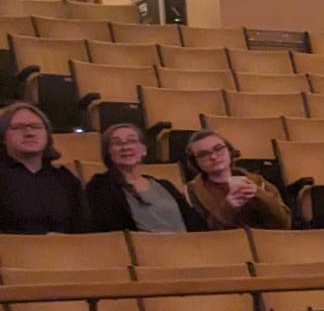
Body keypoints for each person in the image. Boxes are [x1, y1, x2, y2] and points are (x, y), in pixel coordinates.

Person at [85, 122, 205, 233]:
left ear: (144, 150)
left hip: (188, 248)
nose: (125, 147)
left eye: (131, 141)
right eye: (117, 143)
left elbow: (195, 223)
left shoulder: (165, 185)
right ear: (108, 153)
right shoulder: (100, 187)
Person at [0, 100, 87, 234]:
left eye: (36, 127)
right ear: (3, 137)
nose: (29, 133)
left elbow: (84, 231)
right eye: (18, 127)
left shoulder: (65, 179)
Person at [181, 129, 291, 231]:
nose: (213, 156)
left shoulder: (259, 182)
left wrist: (259, 195)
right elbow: (202, 234)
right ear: (196, 162)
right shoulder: (192, 193)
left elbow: (284, 224)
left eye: (218, 149)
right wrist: (228, 208)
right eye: (203, 154)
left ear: (229, 151)